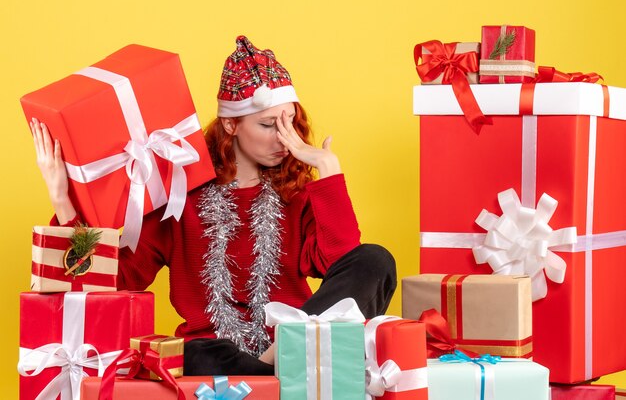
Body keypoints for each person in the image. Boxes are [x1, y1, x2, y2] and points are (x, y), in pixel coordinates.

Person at [30, 35, 397, 375]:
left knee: (376, 259)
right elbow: (117, 279)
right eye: (269, 124)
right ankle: (270, 377)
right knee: (194, 352)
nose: (286, 139)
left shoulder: (298, 194)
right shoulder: (179, 195)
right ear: (230, 124)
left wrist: (329, 171)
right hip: (217, 357)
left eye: (292, 124)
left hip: (292, 340)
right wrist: (63, 200)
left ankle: (276, 359)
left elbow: (343, 265)